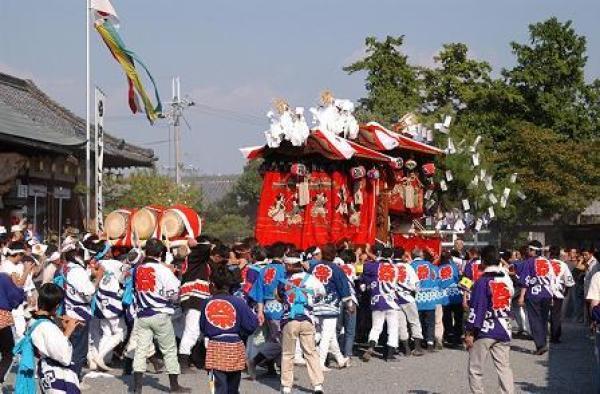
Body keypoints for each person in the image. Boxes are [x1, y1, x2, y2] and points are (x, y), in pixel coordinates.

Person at [132, 238, 190, 393]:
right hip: (160, 314)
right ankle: (175, 387)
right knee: (169, 350)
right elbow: (175, 293)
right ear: (160, 253)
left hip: (142, 314)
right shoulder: (164, 270)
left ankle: (137, 388)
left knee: (141, 350)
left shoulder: (137, 269)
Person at [200, 263, 258, 394]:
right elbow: (252, 324)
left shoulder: (206, 302)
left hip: (214, 348)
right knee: (233, 387)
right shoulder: (238, 301)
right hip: (235, 347)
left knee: (217, 388)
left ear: (213, 284)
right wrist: (240, 333)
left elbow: (203, 326)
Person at [465, 245, 514, 394]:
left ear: (483, 261)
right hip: (504, 327)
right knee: (504, 367)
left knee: (475, 368)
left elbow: (477, 309)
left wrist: (470, 332)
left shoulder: (482, 282)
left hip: (485, 329)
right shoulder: (506, 279)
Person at [278, 251, 325, 394]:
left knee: (287, 353)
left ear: (291, 264)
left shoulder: (284, 281)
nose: (284, 266)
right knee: (311, 352)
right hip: (307, 319)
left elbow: (279, 296)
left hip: (289, 320)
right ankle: (317, 385)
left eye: (286, 264)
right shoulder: (311, 278)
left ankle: (286, 386)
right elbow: (321, 293)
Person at [58, 237, 103, 379]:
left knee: (70, 347)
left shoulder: (65, 268)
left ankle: (67, 376)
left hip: (69, 310)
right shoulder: (76, 271)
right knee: (79, 350)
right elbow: (89, 293)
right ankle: (74, 380)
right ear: (77, 252)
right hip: (79, 314)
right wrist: (98, 278)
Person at [308, 243, 352, 369]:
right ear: (334, 255)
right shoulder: (336, 269)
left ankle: (340, 359)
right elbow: (343, 287)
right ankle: (320, 363)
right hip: (331, 305)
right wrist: (349, 304)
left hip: (315, 304)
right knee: (326, 335)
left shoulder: (313, 268)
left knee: (330, 334)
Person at [178, 236, 212, 372]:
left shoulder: (197, 260)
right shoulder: (194, 257)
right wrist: (196, 244)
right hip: (194, 297)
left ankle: (196, 359)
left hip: (196, 297)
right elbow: (205, 248)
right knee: (191, 331)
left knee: (199, 332)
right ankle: (183, 362)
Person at [517, 240, 556, 355]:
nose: (528, 251)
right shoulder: (548, 262)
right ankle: (543, 342)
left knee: (534, 319)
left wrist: (521, 296)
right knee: (543, 320)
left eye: (529, 249)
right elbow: (552, 279)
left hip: (534, 294)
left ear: (533, 251)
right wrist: (553, 295)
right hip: (547, 293)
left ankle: (540, 345)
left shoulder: (529, 262)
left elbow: (525, 281)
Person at [393, 247, 425, 356]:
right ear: (403, 256)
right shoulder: (408, 267)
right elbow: (417, 285)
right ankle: (417, 348)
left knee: (401, 324)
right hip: (408, 298)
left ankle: (406, 349)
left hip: (395, 299)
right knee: (414, 322)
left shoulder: (390, 267)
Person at [411, 248, 442, 351]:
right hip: (430, 298)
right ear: (422, 256)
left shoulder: (411, 266)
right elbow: (438, 279)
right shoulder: (432, 266)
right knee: (430, 322)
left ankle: (418, 343)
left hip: (417, 298)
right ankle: (430, 343)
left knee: (417, 322)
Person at [0, 270, 25, 387]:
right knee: (8, 354)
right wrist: (17, 286)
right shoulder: (3, 278)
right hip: (2, 320)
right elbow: (16, 300)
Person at [335, 249, 358, 360]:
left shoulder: (335, 267)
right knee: (350, 329)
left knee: (337, 328)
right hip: (350, 299)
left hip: (338, 299)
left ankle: (334, 352)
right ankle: (348, 354)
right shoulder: (351, 268)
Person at [548, 245, 574, 343]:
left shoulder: (545, 263)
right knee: (556, 315)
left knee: (543, 315)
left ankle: (541, 335)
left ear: (549, 253)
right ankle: (555, 337)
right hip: (558, 293)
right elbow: (569, 282)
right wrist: (565, 291)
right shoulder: (563, 265)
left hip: (545, 292)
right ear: (559, 254)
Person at [438, 250, 463, 347]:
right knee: (458, 317)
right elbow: (457, 278)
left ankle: (449, 335)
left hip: (444, 295)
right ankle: (458, 335)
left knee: (447, 317)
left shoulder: (438, 268)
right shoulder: (453, 266)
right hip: (455, 293)